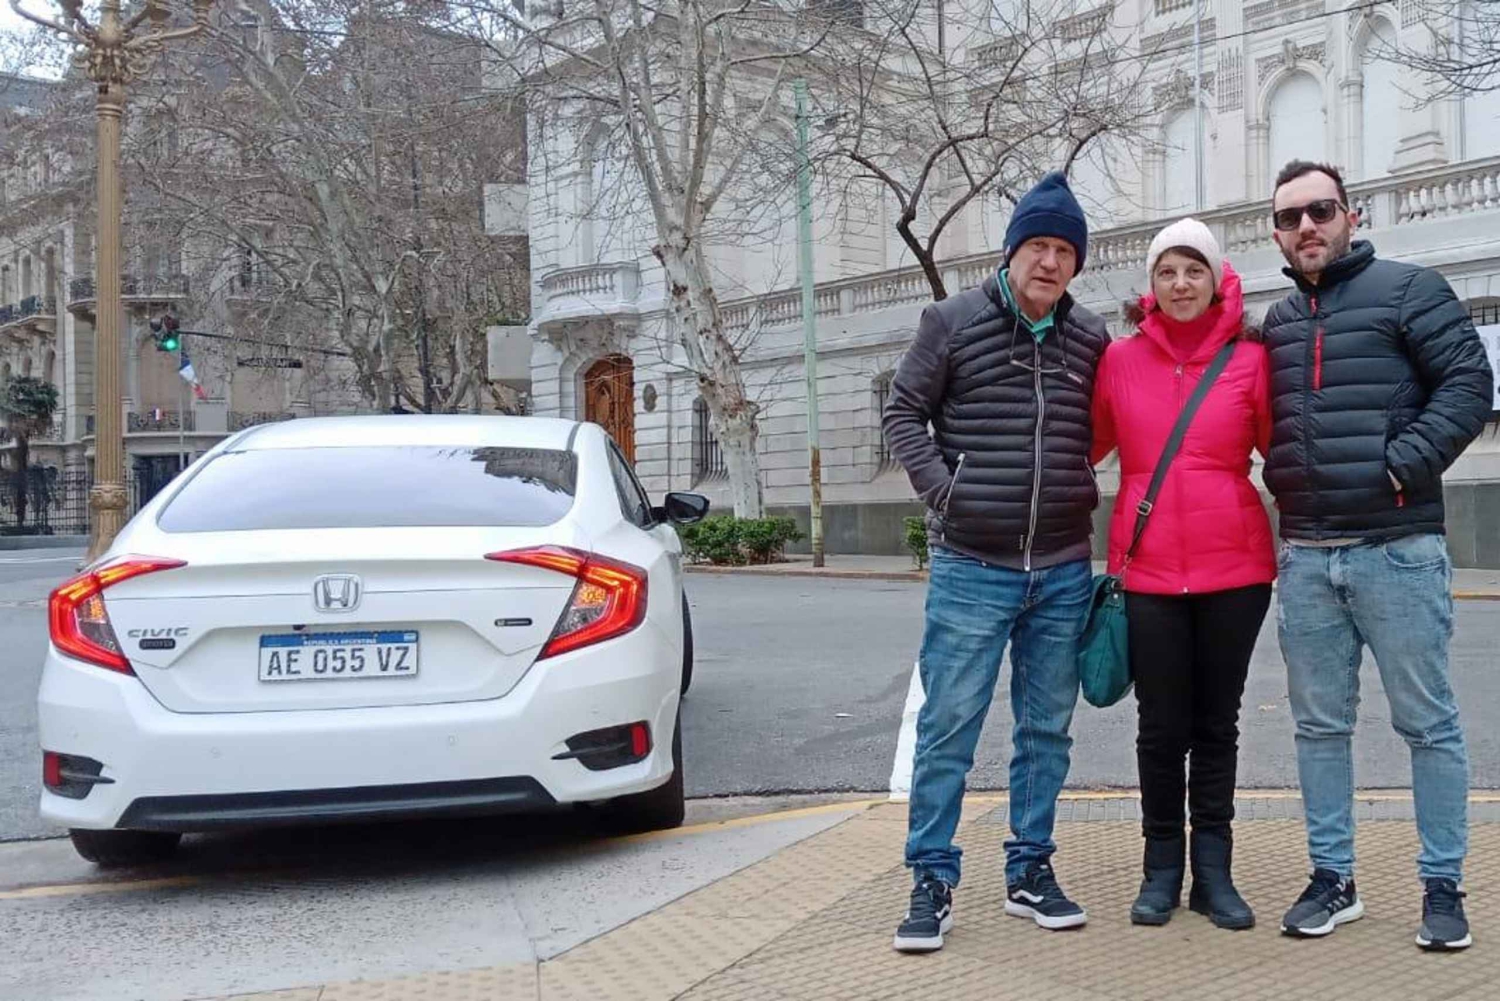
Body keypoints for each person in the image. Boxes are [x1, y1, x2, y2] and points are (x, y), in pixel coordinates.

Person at [1263, 160, 1494, 950]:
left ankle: (1443, 884)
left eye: (1319, 210)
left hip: (1396, 550)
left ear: (1350, 215)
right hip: (1306, 559)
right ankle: (1334, 878)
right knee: (1319, 728)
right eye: (1289, 217)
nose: (1306, 227)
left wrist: (1404, 462)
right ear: (1277, 234)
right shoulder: (1280, 320)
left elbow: (1468, 383)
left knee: (1427, 724)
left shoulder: (1410, 288)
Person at [882, 171, 1109, 952]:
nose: (1049, 261)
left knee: (1047, 728)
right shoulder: (949, 321)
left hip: (1062, 565)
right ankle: (931, 875)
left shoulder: (1090, 338)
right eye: (1037, 246)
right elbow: (903, 411)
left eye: (1063, 250)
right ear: (1012, 251)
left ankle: (1030, 868)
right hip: (971, 562)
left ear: (1076, 263)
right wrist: (945, 494)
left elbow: (1103, 428)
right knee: (950, 726)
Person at [1090, 219, 1275, 931]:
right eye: (1166, 271)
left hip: (1236, 569)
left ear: (1216, 276)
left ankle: (1215, 873)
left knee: (1217, 725)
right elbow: (1088, 445)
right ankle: (1161, 866)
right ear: (1151, 283)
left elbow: (1282, 452)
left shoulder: (1250, 360)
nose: (1180, 284)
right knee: (1160, 727)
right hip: (1148, 571)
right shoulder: (1119, 361)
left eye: (1193, 269)